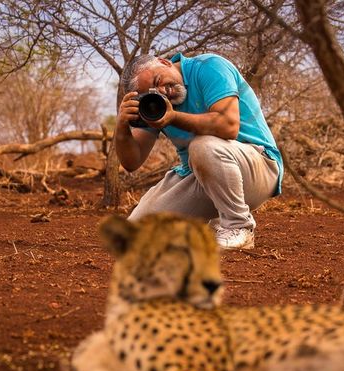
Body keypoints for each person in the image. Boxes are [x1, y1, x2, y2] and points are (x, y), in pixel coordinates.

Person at [114, 53, 284, 250]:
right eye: (154, 92)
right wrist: (122, 126)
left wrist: (173, 117)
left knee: (202, 146)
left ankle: (238, 226)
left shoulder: (209, 67)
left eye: (158, 80)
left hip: (260, 166)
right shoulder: (155, 106)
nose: (163, 92)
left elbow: (228, 126)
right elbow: (131, 162)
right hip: (203, 177)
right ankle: (215, 223)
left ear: (164, 62)